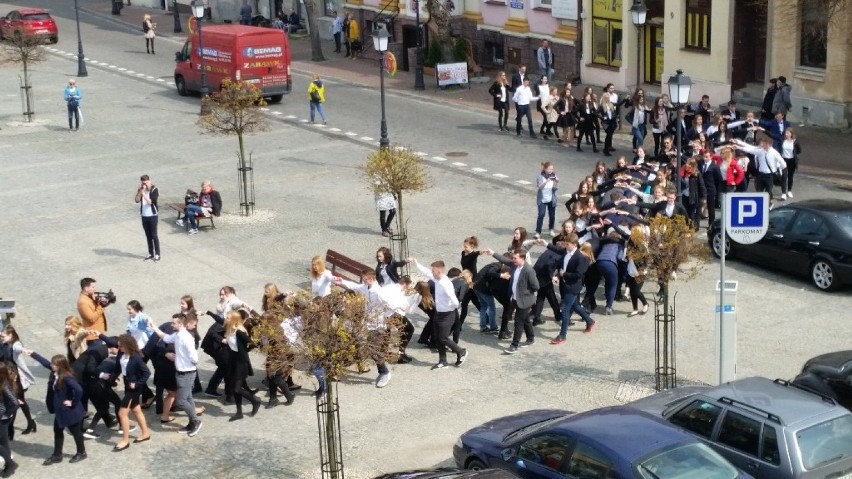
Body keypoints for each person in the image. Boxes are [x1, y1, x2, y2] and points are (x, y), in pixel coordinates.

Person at [332, 270, 396, 386]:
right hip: (369, 324)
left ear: (371, 279)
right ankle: (382, 371)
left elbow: (391, 305)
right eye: (363, 279)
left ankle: (385, 372)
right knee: (371, 348)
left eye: (365, 279)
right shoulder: (366, 287)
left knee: (373, 349)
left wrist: (387, 316)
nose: (363, 280)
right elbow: (354, 286)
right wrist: (342, 281)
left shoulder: (379, 292)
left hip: (378, 325)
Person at [25, 351, 87, 466]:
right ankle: (57, 455)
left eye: (53, 364)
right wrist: (32, 353)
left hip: (70, 412)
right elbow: (45, 362)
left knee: (76, 432)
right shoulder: (57, 372)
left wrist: (73, 402)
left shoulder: (67, 378)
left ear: (60, 366)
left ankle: (81, 452)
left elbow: (79, 390)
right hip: (61, 411)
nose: (51, 365)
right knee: (57, 431)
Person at [148, 314, 203, 437]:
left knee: (181, 401)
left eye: (174, 323)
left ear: (181, 324)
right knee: (188, 398)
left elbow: (194, 357)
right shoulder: (178, 335)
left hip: (187, 373)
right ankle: (191, 422)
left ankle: (195, 421)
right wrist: (153, 327)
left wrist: (186, 362)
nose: (171, 325)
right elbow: (165, 338)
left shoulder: (185, 338)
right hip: (181, 373)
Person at [409, 258, 466, 369]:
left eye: (433, 271)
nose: (432, 272)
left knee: (443, 337)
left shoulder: (445, 283)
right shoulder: (437, 279)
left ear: (439, 272)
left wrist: (451, 308)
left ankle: (461, 352)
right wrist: (416, 263)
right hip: (438, 313)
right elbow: (426, 272)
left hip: (447, 314)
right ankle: (442, 361)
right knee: (439, 338)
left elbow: (454, 300)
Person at [102, 334, 151, 451]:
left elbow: (147, 373)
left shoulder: (136, 358)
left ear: (128, 346)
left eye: (121, 346)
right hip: (127, 385)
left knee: (122, 413)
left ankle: (125, 440)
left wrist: (137, 383)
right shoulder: (121, 354)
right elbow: (118, 369)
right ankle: (145, 433)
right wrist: (111, 380)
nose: (119, 348)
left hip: (134, 388)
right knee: (136, 409)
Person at [546, 234, 595, 344]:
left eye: (567, 244)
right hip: (565, 284)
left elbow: (578, 275)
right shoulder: (565, 252)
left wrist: (564, 275)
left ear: (574, 244)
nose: (565, 246)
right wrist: (559, 276)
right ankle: (590, 321)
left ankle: (562, 335)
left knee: (565, 309)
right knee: (575, 306)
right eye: (564, 244)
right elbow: (557, 252)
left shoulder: (582, 258)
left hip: (573, 287)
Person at [492, 250, 539, 354]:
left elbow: (536, 286)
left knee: (518, 322)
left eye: (515, 258)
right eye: (513, 258)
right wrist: (492, 253)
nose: (513, 260)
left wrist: (525, 293)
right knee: (525, 319)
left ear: (522, 258)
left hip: (524, 301)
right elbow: (504, 259)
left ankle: (514, 345)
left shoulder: (528, 271)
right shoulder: (514, 266)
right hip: (515, 298)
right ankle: (531, 338)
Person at [223, 311, 261, 420]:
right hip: (233, 362)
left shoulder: (239, 332)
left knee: (237, 389)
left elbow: (251, 343)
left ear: (234, 320)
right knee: (234, 387)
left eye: (228, 317)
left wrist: (244, 351)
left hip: (240, 363)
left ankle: (255, 401)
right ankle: (239, 412)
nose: (226, 318)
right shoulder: (230, 329)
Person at [134, 174, 160, 262]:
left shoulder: (154, 190)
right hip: (144, 216)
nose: (144, 185)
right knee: (148, 235)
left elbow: (150, 202)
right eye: (143, 183)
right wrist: (140, 192)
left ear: (150, 181)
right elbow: (137, 200)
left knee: (154, 235)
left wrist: (144, 194)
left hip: (152, 216)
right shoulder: (141, 189)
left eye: (146, 183)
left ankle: (157, 254)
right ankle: (150, 252)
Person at [76, 278, 110, 343]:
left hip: (98, 333)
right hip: (92, 336)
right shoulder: (82, 302)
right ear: (86, 288)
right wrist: (101, 306)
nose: (95, 289)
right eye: (93, 287)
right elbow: (91, 318)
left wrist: (104, 301)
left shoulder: (91, 296)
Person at [0, 363, 18, 476]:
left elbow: (15, 403)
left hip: (2, 418)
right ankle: (9, 465)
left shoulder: (4, 385)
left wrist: (6, 414)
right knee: (3, 442)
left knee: (2, 441)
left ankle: (10, 463)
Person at [535, 162, 559, 237]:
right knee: (541, 215)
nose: (550, 170)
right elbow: (540, 187)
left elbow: (555, 188)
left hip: (551, 199)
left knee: (552, 215)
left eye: (551, 169)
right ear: (545, 169)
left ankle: (551, 229)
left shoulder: (553, 176)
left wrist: (557, 182)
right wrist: (546, 182)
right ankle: (538, 232)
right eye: (549, 169)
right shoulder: (540, 177)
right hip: (542, 199)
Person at [781, 128, 802, 198]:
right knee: (784, 176)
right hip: (784, 160)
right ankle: (783, 193)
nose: (786, 134)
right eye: (785, 133)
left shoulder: (795, 142)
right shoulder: (783, 140)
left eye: (788, 133)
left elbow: (799, 150)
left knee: (790, 176)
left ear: (791, 134)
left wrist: (794, 154)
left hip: (792, 161)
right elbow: (773, 136)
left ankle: (789, 191)